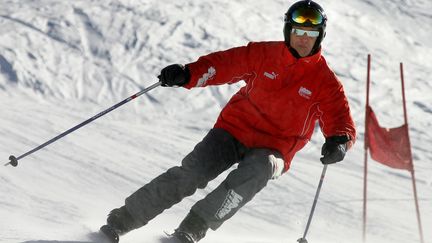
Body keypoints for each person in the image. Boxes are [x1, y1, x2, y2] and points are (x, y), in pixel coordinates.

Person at [100, 0, 356, 242]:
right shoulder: (263, 54)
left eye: (310, 35)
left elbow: (341, 121)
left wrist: (339, 142)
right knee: (193, 172)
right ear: (288, 31)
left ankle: (191, 230)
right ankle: (122, 221)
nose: (303, 40)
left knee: (257, 171)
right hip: (234, 130)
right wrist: (188, 73)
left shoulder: (326, 82)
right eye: (299, 32)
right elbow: (224, 65)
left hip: (276, 149)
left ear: (319, 37)